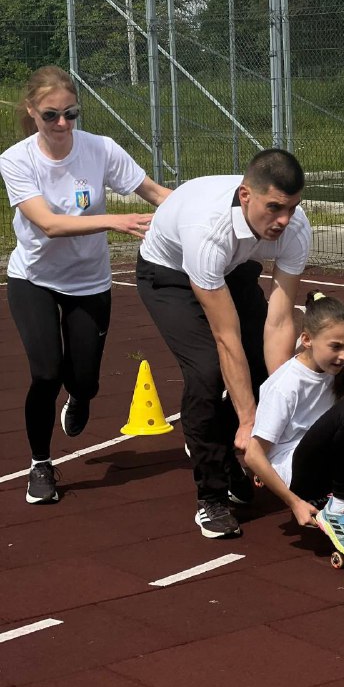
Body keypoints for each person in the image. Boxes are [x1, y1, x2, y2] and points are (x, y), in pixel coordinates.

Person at [0, 65, 172, 506]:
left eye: (70, 113)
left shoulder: (101, 149)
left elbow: (154, 192)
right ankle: (41, 464)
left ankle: (80, 396)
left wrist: (207, 207)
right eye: (51, 115)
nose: (62, 124)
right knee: (45, 373)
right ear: (32, 111)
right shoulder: (16, 159)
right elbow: (49, 224)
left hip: (89, 281)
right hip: (34, 278)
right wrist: (114, 220)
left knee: (85, 380)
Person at [136, 148, 311, 539]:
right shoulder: (208, 229)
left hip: (233, 266)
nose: (284, 219)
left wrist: (280, 402)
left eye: (292, 207)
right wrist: (249, 422)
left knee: (263, 367)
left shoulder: (295, 228)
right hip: (169, 274)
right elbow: (225, 337)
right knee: (208, 372)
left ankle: (223, 449)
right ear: (246, 196)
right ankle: (211, 497)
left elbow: (279, 321)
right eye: (274, 207)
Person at [245, 291, 344, 561]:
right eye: (336, 346)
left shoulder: (341, 373)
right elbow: (252, 455)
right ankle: (340, 508)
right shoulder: (285, 385)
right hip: (299, 476)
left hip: (328, 466)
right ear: (307, 340)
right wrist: (294, 503)